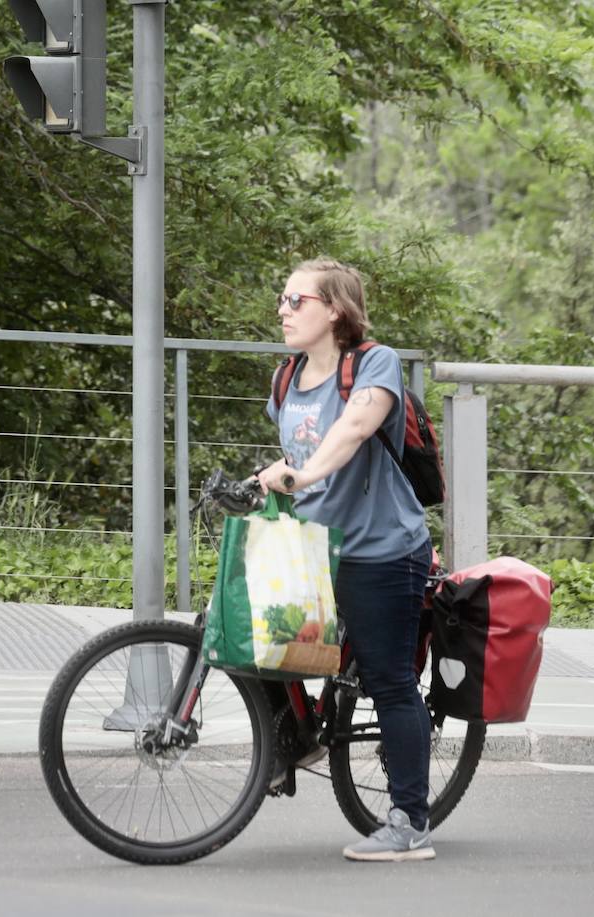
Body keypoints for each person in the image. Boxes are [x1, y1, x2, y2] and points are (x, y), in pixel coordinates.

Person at [255, 258, 435, 862]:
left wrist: (300, 476)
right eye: (282, 299)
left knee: (389, 680)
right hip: (317, 552)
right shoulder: (285, 379)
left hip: (383, 551)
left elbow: (354, 429)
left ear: (334, 309)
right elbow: (294, 456)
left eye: (295, 300)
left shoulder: (374, 364)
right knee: (251, 637)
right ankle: (296, 739)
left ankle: (411, 823)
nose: (282, 309)